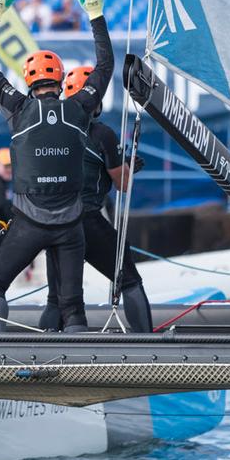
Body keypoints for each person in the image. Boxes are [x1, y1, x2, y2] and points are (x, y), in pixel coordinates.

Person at [0, 0, 111, 333]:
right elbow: (105, 66)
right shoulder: (81, 107)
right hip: (71, 227)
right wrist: (95, 16)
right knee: (72, 308)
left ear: (28, 82)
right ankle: (84, 376)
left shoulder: (18, 109)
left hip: (28, 223)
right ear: (62, 79)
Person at [38, 67, 153, 333]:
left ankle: (41, 350)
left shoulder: (52, 131)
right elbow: (122, 185)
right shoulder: (102, 134)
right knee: (130, 281)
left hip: (53, 222)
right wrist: (127, 167)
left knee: (55, 296)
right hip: (87, 220)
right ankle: (149, 347)